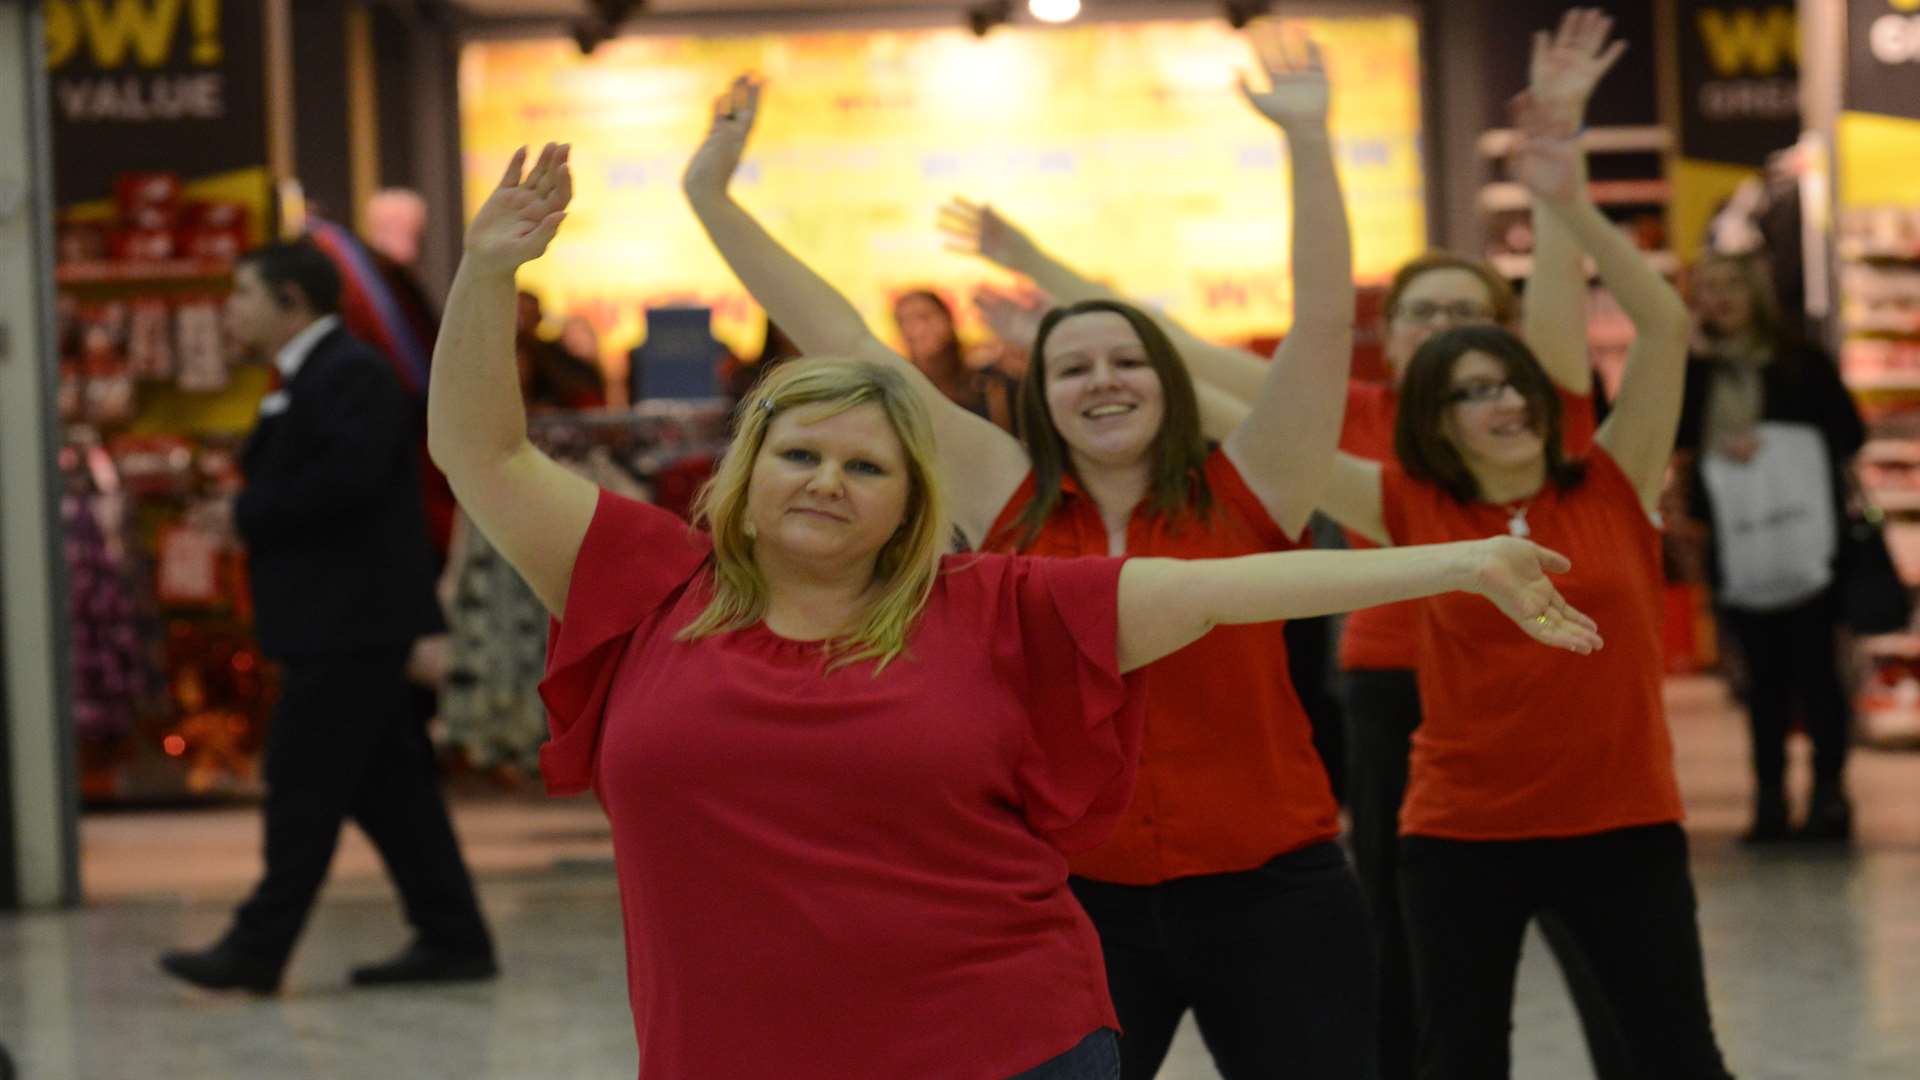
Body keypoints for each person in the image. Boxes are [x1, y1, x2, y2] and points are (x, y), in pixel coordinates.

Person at [430, 139, 1597, 1078]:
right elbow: (487, 450)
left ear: (910, 503)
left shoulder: (1027, 585)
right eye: (798, 456)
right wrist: (502, 269)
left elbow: (1223, 588)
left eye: (869, 468)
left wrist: (1457, 561)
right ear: (745, 472)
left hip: (1097, 981)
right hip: (816, 1017)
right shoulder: (669, 582)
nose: (830, 481)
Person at [941, 13, 1637, 1078]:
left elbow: (1319, 330)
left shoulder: (1507, 437)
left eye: (1466, 317)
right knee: (1434, 1001)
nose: (1448, 338)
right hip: (1334, 730)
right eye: (1424, 312)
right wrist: (1042, 274)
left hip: (1420, 796)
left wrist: (1550, 187)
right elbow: (1190, 350)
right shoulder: (1321, 436)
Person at [687, 32, 1379, 1076]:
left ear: (1167, 382)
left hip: (1275, 888)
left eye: (1127, 360)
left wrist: (1309, 140)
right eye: (1072, 366)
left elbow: (1324, 325)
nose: (1103, 380)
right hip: (1071, 899)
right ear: (1037, 395)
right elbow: (843, 337)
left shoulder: (1248, 492)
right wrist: (712, 199)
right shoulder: (1004, 497)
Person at [1309, 90, 1735, 1078]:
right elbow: (1266, 441)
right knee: (1456, 1058)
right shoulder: (1408, 502)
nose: (1499, 400)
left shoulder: (1613, 482)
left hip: (1625, 825)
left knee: (1678, 1056)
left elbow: (1663, 328)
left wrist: (1569, 203)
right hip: (1462, 837)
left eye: (1509, 381)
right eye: (1467, 392)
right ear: (1436, 422)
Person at [158, 242, 495, 994]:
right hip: (340, 620)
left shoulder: (352, 374)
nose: (232, 309)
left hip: (349, 623)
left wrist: (244, 514)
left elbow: (345, 484)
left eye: (244, 294)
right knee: (390, 789)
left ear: (289, 300)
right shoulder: (316, 375)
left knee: (302, 787)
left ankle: (257, 947)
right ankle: (454, 936)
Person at [1676, 250, 1867, 843]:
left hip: (1811, 539)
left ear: (1754, 290)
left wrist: (1773, 443)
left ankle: (1830, 795)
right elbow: (1677, 445)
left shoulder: (1799, 362)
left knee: (1818, 673)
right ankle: (1768, 799)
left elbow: (1849, 433)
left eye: (1730, 283)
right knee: (1760, 681)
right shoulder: (1693, 371)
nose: (1720, 297)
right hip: (1736, 545)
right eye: (1707, 287)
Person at [893, 287, 1017, 432]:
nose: (915, 329)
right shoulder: (903, 396)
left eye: (924, 317)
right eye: (904, 322)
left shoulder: (992, 382)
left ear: (948, 317)